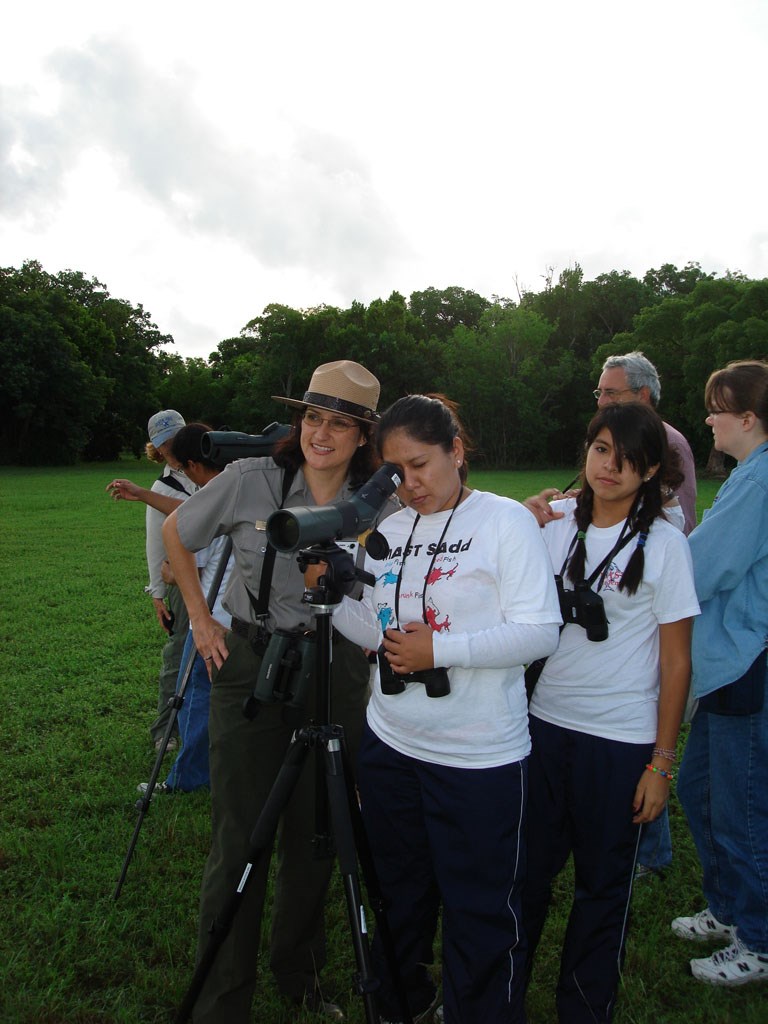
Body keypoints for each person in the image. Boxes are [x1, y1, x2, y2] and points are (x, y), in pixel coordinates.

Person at [314, 394, 561, 1024]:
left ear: (456, 451)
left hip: (478, 756)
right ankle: (403, 1005)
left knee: (480, 908)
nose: (410, 484)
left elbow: (540, 632)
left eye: (421, 464)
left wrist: (441, 648)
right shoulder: (390, 531)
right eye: (395, 471)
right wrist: (331, 598)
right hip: (391, 747)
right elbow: (378, 631)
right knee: (399, 897)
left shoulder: (505, 522)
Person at [162, 361, 391, 1022]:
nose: (322, 433)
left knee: (318, 832)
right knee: (240, 836)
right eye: (314, 417)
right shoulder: (250, 480)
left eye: (341, 423)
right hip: (252, 664)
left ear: (362, 436)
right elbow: (179, 532)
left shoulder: (379, 501)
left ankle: (301, 976)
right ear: (300, 422)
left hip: (339, 667)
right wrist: (201, 619)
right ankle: (221, 996)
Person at [522, 402, 699, 1023]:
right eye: (600, 450)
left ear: (651, 470)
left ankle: (585, 1008)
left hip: (618, 740)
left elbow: (677, 663)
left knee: (603, 889)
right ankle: (497, 997)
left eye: (627, 459)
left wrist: (662, 763)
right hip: (540, 727)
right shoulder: (550, 526)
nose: (610, 467)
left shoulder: (665, 545)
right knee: (525, 878)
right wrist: (524, 515)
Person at [671, 360, 768, 987]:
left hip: (745, 663)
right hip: (725, 664)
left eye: (717, 408)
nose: (709, 417)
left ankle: (758, 940)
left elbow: (707, 566)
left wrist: (647, 550)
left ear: (749, 419)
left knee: (743, 808)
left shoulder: (759, 481)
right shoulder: (747, 475)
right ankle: (729, 908)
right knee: (698, 789)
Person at [595, 351, 698, 875]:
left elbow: (672, 523)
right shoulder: (624, 440)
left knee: (647, 714)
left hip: (646, 604)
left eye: (611, 393)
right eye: (600, 394)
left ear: (643, 396)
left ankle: (649, 852)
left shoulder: (665, 441)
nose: (602, 402)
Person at [122, 423, 232, 796]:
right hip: (246, 618)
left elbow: (183, 563)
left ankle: (189, 778)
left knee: (194, 695)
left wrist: (167, 572)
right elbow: (188, 508)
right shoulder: (240, 486)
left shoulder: (209, 499)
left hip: (211, 619)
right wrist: (141, 494)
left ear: (191, 465)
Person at [107, 409, 193, 753]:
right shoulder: (161, 487)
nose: (172, 448)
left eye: (176, 439)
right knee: (179, 654)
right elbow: (155, 544)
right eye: (165, 444)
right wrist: (158, 595)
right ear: (157, 449)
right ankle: (165, 729)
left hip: (222, 574)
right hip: (183, 580)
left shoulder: (211, 469)